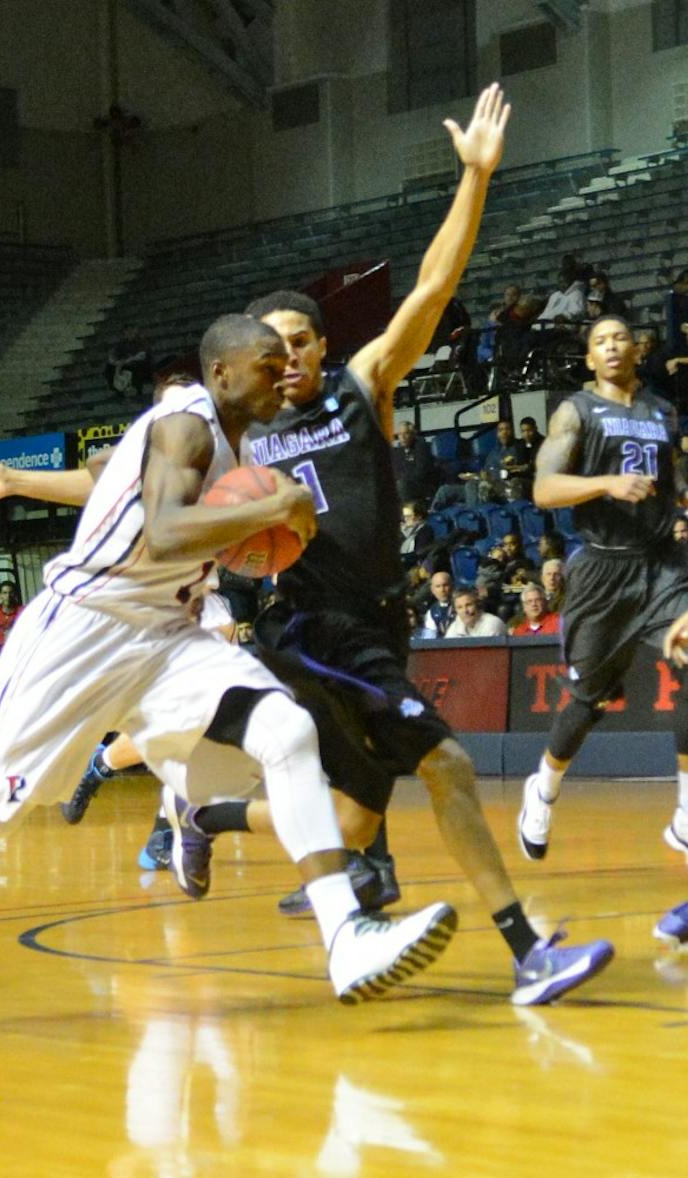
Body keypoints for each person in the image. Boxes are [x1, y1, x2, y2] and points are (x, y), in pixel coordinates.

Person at [0, 313, 461, 1042]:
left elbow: (106, 476)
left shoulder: (237, 439)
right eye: (267, 362)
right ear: (222, 372)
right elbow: (167, 529)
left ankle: (345, 937)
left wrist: (13, 478)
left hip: (165, 634)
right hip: (81, 632)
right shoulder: (189, 423)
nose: (281, 372)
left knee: (286, 729)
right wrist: (274, 507)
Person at [236, 86, 610, 1001]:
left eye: (296, 341)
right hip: (317, 629)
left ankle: (202, 818)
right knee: (445, 763)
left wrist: (475, 179)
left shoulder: (363, 384)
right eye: (267, 346)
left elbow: (435, 289)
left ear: (322, 346)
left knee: (356, 822)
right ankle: (528, 952)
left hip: (383, 621)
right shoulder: (233, 433)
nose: (282, 357)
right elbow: (132, 479)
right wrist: (22, 485)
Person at [518, 315, 688, 867]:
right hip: (603, 572)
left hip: (662, 563)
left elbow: (675, 480)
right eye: (600, 342)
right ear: (589, 358)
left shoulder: (662, 411)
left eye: (620, 338)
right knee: (588, 702)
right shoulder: (576, 411)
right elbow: (543, 489)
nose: (612, 347)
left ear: (637, 349)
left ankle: (686, 811)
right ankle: (543, 786)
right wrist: (606, 483)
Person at [392, 421, 440, 503]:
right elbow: (395, 471)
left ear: (413, 435)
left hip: (423, 486)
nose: (402, 437)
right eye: (399, 434)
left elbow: (421, 473)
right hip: (404, 484)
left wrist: (402, 479)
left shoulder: (422, 448)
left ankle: (407, 513)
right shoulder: (398, 452)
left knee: (402, 485)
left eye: (406, 433)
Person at [419, 570, 455, 638]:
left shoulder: (462, 605)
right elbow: (429, 638)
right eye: (438, 586)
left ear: (452, 586)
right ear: (432, 590)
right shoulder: (431, 612)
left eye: (445, 585)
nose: (442, 590)